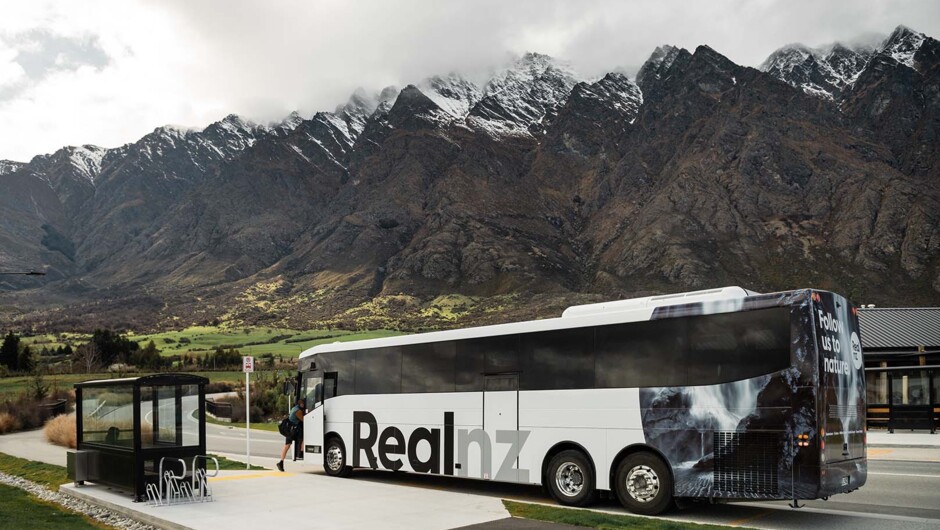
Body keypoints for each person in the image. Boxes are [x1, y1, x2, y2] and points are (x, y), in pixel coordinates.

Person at [277, 397, 306, 471]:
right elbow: (303, 420)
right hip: (293, 431)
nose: (304, 405)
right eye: (303, 404)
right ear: (300, 404)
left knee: (287, 446)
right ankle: (300, 452)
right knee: (302, 438)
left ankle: (281, 462)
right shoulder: (298, 411)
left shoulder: (294, 408)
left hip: (289, 430)